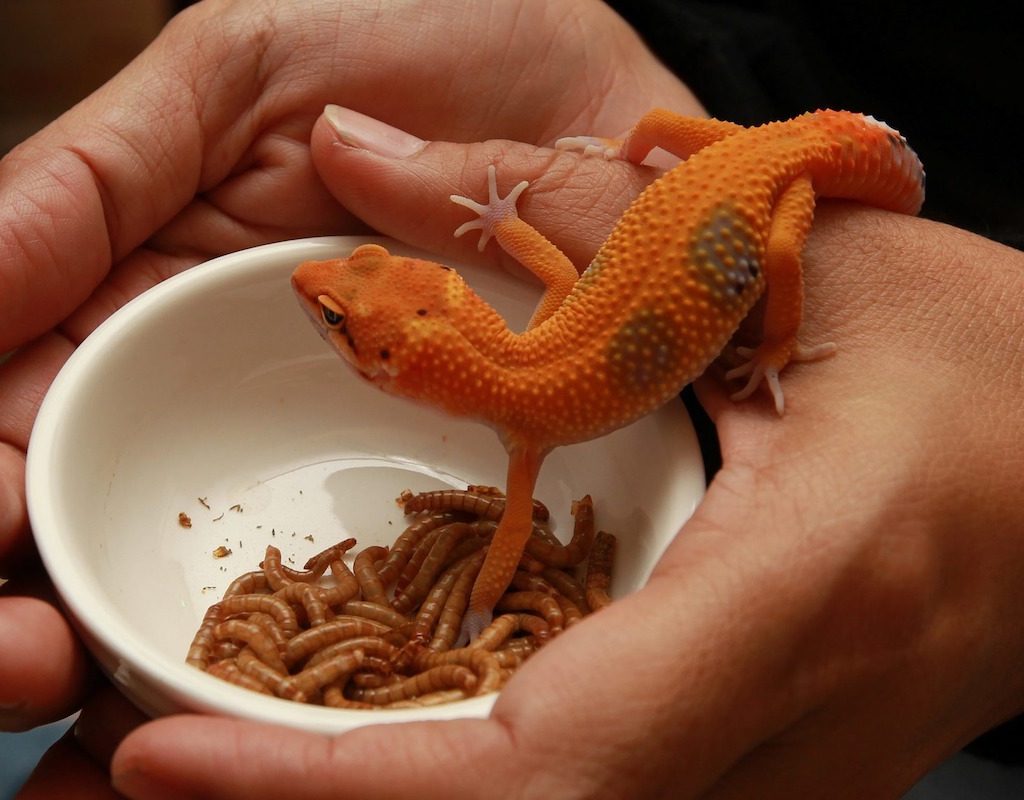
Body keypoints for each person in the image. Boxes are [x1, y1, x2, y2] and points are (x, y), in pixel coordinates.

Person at [2, 1, 1022, 797]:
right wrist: (526, 202)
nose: (321, 295)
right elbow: (561, 273)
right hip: (747, 127)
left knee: (782, 245)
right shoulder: (532, 366)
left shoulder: (529, 420)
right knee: (677, 146)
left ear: (390, 368)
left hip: (777, 177)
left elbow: (509, 526)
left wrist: (480, 612)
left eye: (339, 321)